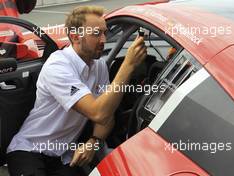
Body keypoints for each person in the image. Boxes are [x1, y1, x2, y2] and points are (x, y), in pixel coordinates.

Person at [6, 5, 147, 176]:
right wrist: (128, 65)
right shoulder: (58, 66)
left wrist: (94, 142)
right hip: (29, 150)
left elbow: (107, 116)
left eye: (105, 32)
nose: (103, 40)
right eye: (96, 34)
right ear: (75, 37)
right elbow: (98, 113)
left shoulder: (99, 66)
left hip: (63, 155)